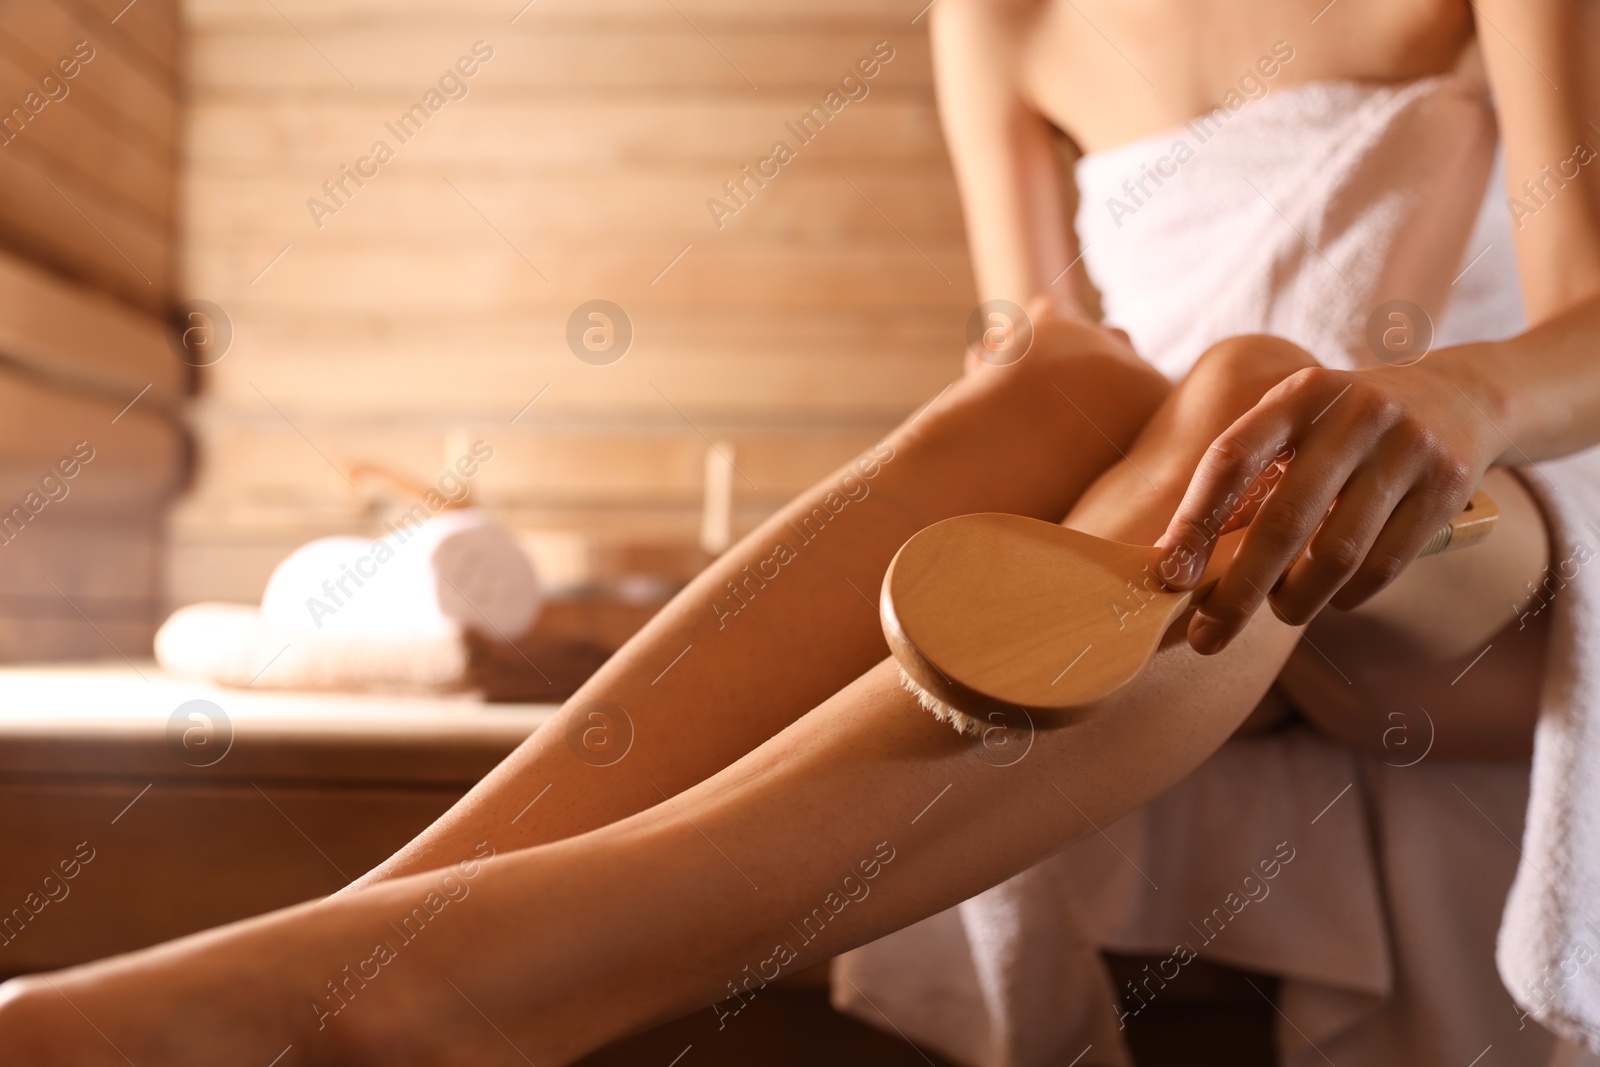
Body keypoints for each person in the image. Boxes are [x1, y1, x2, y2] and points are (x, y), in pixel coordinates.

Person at [2, 2, 1597, 1063]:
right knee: (1053, 377)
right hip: (1179, 514)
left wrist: (1458, 401)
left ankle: (426, 993)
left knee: (1259, 394)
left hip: (1485, 541)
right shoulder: (998, 11)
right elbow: (1039, 344)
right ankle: (363, 953)